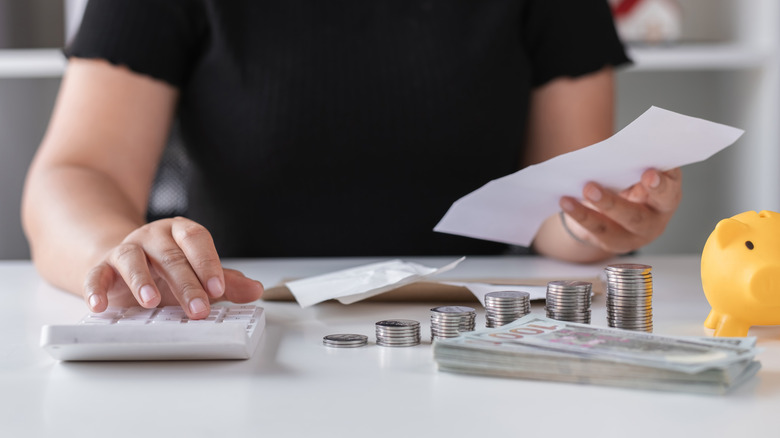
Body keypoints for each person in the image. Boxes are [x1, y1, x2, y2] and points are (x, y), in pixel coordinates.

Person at [21, 0, 682, 319]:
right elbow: (78, 173)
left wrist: (595, 220)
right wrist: (121, 252)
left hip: (473, 330)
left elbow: (552, 209)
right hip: (241, 322)